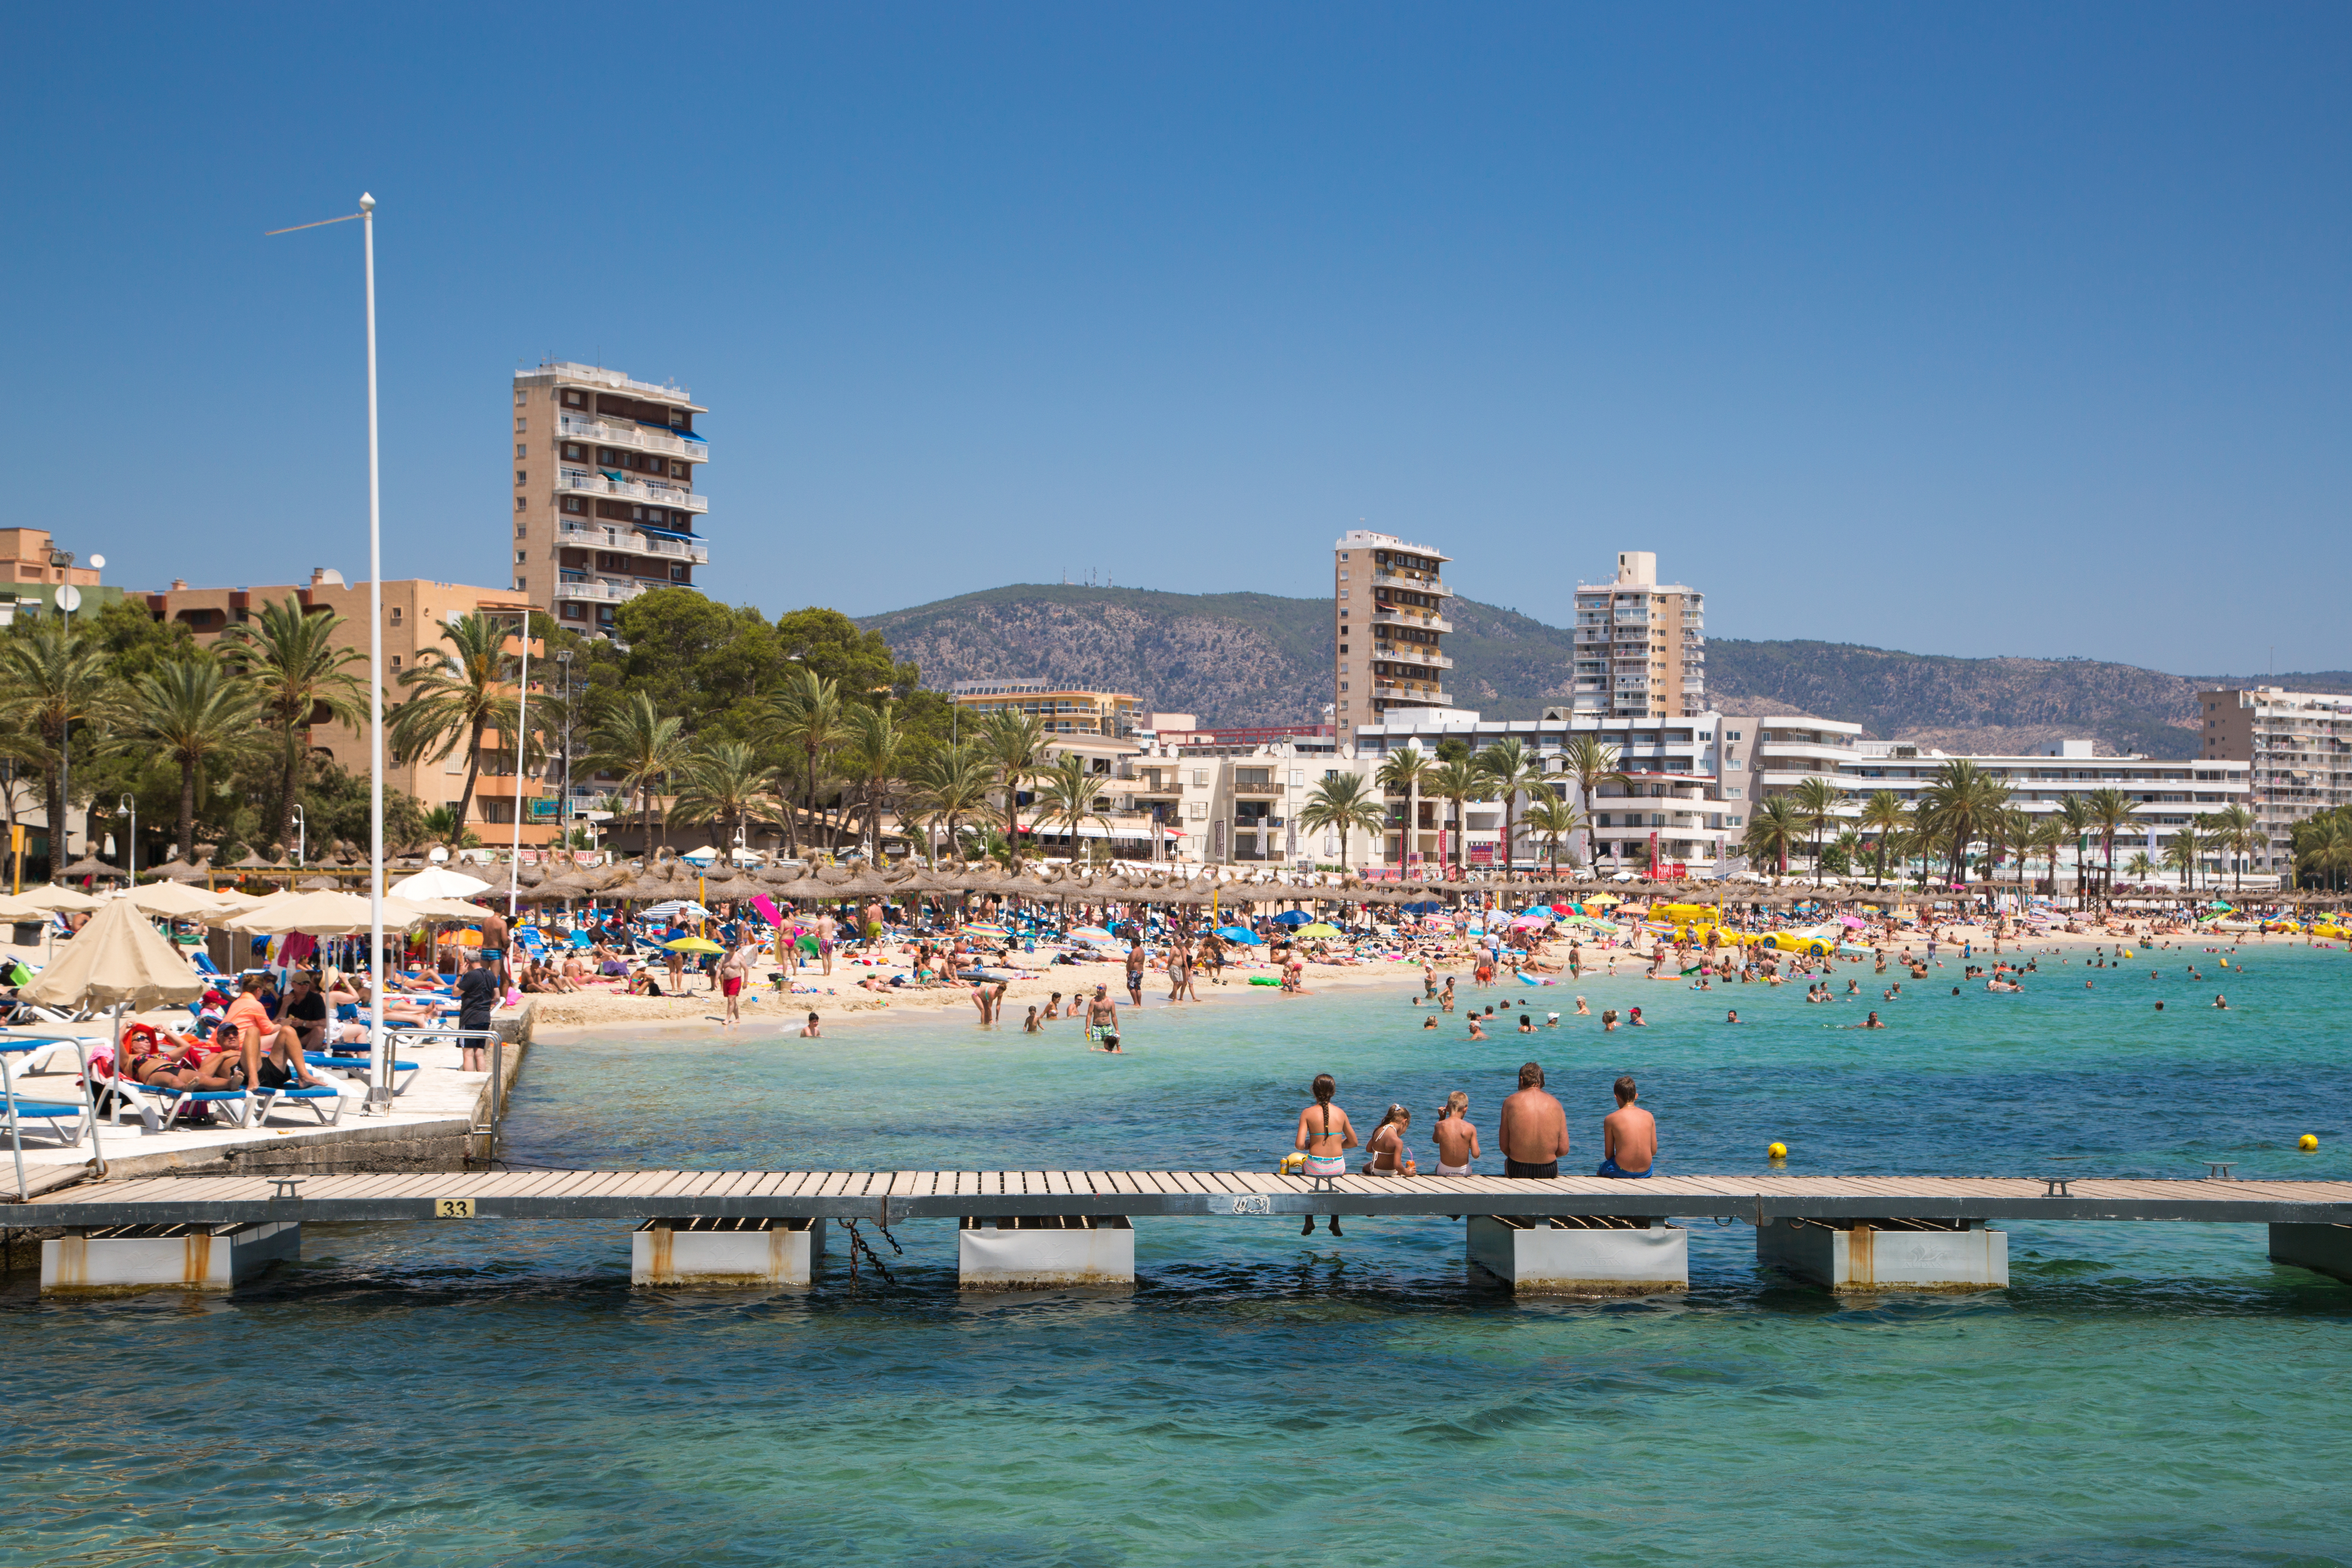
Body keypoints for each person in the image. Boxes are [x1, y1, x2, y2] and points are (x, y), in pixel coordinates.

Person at [1292, 1074, 1356, 1233]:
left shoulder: (1307, 1113)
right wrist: (1337, 1144)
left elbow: (1299, 1145)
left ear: (1313, 1092)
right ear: (1333, 1092)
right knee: (1332, 1183)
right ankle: (1334, 1222)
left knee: (1307, 1171)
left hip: (1314, 1167)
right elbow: (1354, 1142)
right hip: (1337, 1167)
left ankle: (1309, 1221)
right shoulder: (1341, 1113)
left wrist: (1310, 1144)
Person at [1498, 1061, 1569, 1178]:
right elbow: (1564, 1150)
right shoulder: (1556, 1104)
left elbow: (1504, 1147)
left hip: (1518, 1169)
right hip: (1548, 1170)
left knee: (1507, 1162)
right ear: (1541, 1081)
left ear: (1521, 1080)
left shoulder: (1510, 1102)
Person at [1596, 1075, 1656, 1178]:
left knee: (1603, 1168)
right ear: (1636, 1096)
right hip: (1645, 1171)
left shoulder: (1611, 1119)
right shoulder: (1649, 1116)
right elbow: (1653, 1151)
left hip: (1621, 1170)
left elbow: (1609, 1155)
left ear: (1617, 1097)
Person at [452, 954, 499, 1072]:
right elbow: (497, 996)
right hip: (485, 1017)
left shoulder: (470, 975)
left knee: (468, 1053)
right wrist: (486, 1003)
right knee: (479, 1052)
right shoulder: (490, 974)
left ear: (467, 961)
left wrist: (460, 975)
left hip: (470, 1017)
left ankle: (469, 1081)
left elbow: (455, 993)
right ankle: (481, 1079)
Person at [1431, 1090, 1479, 1175]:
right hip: (1464, 1172)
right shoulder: (1470, 1128)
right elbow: (1476, 1155)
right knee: (1470, 1169)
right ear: (1465, 1109)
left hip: (1444, 1171)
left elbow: (1435, 1140)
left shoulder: (1439, 1125)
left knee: (1437, 1167)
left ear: (1447, 1108)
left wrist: (1442, 1118)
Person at [1363, 1105, 1418, 1176]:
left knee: (1365, 1167)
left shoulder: (1378, 1130)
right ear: (1405, 1121)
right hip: (1392, 1172)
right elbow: (1397, 1166)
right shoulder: (1398, 1142)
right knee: (1404, 1169)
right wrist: (1407, 1172)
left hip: (1375, 1171)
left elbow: (1368, 1149)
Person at [717, 938, 755, 1028]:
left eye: (733, 946)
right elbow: (719, 969)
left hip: (735, 980)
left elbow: (746, 969)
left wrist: (745, 982)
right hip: (726, 981)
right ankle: (737, 1018)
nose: (732, 948)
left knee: (731, 1000)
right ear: (727, 947)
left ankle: (727, 1019)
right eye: (730, 946)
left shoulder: (739, 957)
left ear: (736, 947)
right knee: (732, 1000)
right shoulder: (724, 957)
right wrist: (716, 980)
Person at [1085, 984, 1121, 1052]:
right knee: (1097, 1045)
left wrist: (1117, 1029)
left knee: (1110, 1048)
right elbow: (1089, 1015)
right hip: (1096, 1027)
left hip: (1108, 1027)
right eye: (1097, 988)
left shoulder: (1111, 1001)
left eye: (1100, 989)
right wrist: (1087, 1027)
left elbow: (1114, 1016)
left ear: (1105, 990)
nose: (1098, 990)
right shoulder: (1093, 1001)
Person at [1125, 942, 1146, 1007]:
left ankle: (1136, 1003)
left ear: (1135, 943)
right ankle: (1139, 1004)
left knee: (1131, 987)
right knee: (1138, 988)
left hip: (1134, 971)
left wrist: (1129, 971)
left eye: (1131, 943)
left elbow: (1132, 961)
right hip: (1140, 971)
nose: (1131, 944)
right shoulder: (1142, 951)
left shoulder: (1135, 951)